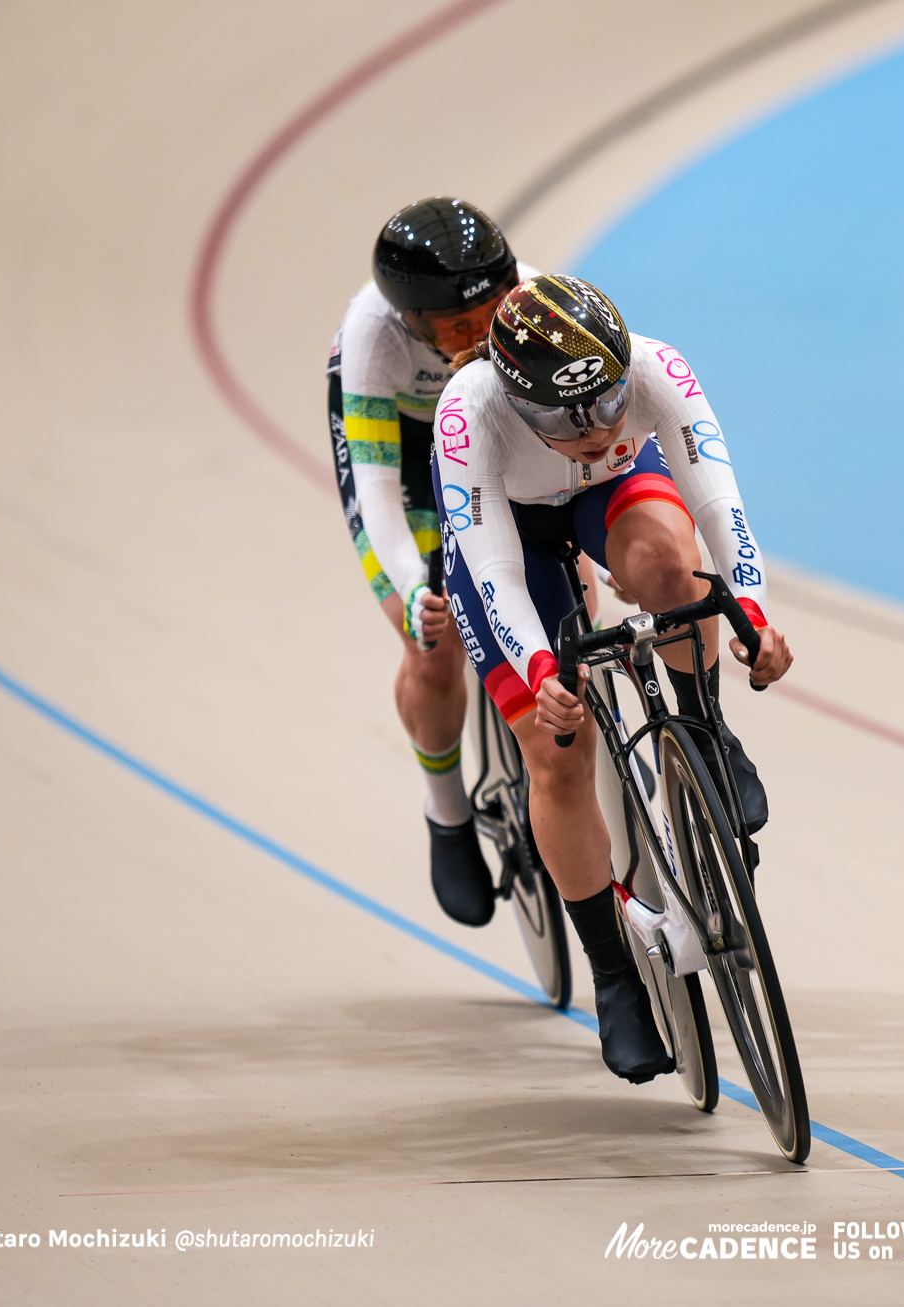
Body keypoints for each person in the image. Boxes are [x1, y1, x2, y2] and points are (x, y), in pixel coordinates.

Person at [438, 273, 790, 1083]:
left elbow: (722, 511)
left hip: (611, 497)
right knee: (556, 751)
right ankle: (612, 974)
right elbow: (495, 573)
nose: (597, 428)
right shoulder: (469, 412)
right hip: (513, 536)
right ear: (519, 403)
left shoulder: (658, 367)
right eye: (567, 419)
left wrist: (755, 616)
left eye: (608, 402)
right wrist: (540, 671)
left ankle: (704, 729)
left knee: (671, 565)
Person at [329, 197, 531, 928]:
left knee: (567, 602)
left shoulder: (533, 302)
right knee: (434, 642)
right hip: (407, 455)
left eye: (488, 318)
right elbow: (378, 489)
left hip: (494, 431)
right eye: (455, 330)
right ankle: (447, 812)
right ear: (411, 323)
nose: (477, 340)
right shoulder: (373, 336)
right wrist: (415, 588)